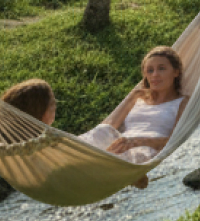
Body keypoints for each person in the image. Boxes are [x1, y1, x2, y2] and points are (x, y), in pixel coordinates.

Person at [78, 45, 188, 188]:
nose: (155, 75)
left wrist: (138, 141)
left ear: (176, 72)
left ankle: (121, 171)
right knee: (102, 130)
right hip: (120, 145)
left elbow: (174, 141)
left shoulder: (182, 102)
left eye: (161, 68)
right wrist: (132, 97)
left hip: (147, 150)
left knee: (133, 156)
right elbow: (109, 125)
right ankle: (69, 152)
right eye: (150, 70)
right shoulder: (138, 97)